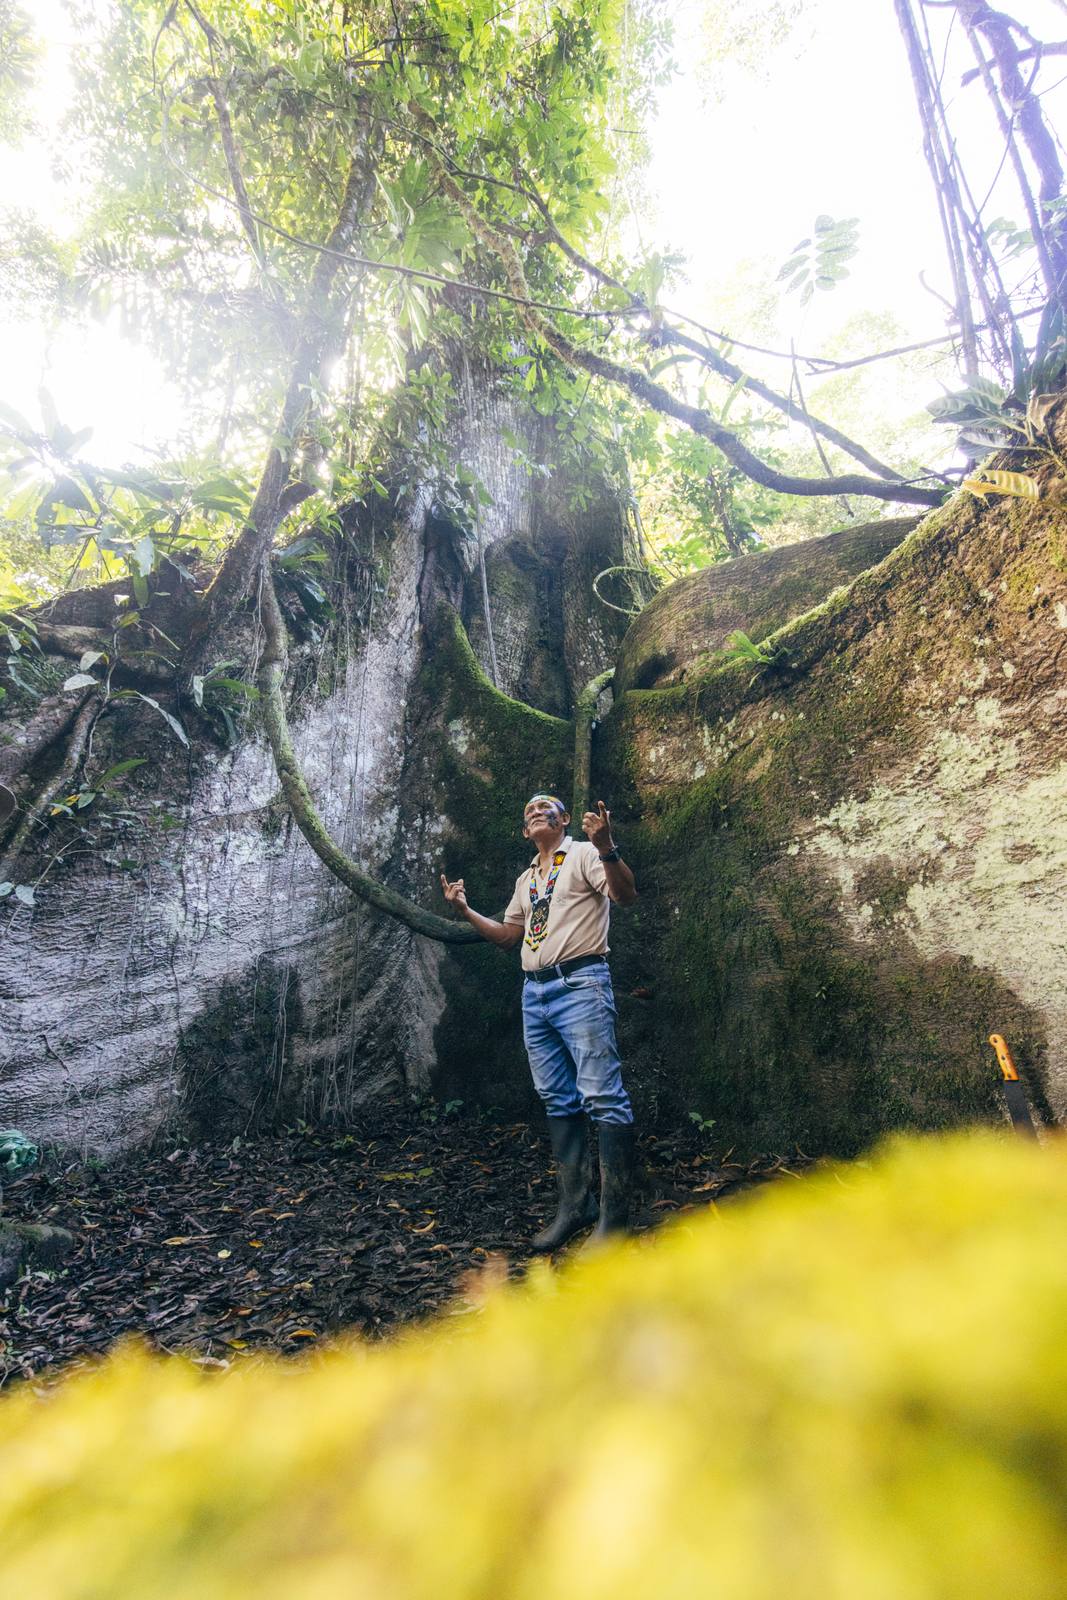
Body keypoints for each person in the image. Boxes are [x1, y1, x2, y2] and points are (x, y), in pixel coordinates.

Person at [440, 793, 638, 1250]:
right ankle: (576, 1205)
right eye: (528, 811)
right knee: (556, 1099)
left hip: (580, 984)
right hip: (536, 993)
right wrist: (466, 911)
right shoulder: (527, 878)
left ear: (564, 820)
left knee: (603, 1096)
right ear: (525, 831)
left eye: (545, 807)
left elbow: (625, 895)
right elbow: (510, 937)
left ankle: (616, 1219)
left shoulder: (585, 854)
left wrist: (607, 846)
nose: (535, 811)